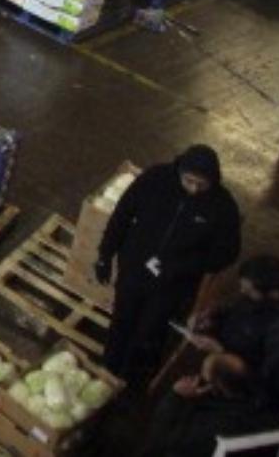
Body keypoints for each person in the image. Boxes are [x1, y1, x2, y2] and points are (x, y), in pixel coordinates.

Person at [97, 145, 242, 383]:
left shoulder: (223, 207)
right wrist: (105, 254)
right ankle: (108, 370)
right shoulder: (155, 180)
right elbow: (122, 214)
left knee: (149, 332)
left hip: (172, 286)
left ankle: (129, 379)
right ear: (179, 171)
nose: (194, 189)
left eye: (201, 184)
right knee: (121, 320)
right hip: (134, 270)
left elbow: (227, 253)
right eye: (189, 181)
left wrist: (184, 266)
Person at [190, 254, 279, 408]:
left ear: (273, 293)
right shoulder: (261, 296)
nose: (242, 292)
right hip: (222, 373)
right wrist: (213, 317)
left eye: (248, 291)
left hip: (239, 400)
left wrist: (222, 353)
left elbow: (270, 386)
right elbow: (239, 310)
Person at [141, 353, 276, 457]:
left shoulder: (213, 425)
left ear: (216, 387)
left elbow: (161, 442)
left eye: (203, 379)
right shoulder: (259, 402)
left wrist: (175, 398)